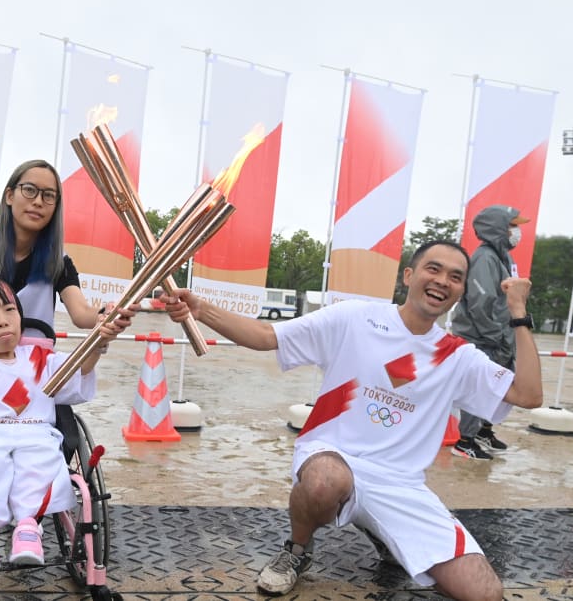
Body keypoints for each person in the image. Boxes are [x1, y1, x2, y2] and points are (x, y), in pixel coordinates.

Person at [162, 240, 543, 600]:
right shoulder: (355, 318)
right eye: (434, 268)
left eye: (455, 277)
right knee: (327, 482)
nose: (443, 281)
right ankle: (298, 548)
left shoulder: (457, 356)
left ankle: (381, 529)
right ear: (409, 276)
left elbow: (528, 396)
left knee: (485, 592)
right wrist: (201, 310)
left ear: (460, 292)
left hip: (400, 484)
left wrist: (518, 312)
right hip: (333, 455)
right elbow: (265, 336)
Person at [0, 277, 121, 572]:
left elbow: (77, 370)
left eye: (9, 310)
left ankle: (29, 528)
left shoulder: (38, 356)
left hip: (35, 431)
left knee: (43, 454)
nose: (3, 321)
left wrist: (99, 343)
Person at [0, 159, 133, 341]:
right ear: (9, 196)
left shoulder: (58, 260)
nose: (38, 201)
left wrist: (105, 315)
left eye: (48, 196)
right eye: (29, 190)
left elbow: (81, 314)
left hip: (32, 370)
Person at [449, 205, 529, 460]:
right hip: (484, 338)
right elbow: (480, 303)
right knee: (481, 388)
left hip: (500, 336)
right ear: (498, 228)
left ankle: (484, 429)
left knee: (501, 387)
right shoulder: (485, 257)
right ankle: (464, 441)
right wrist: (496, 335)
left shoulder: (503, 256)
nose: (517, 232)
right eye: (512, 226)